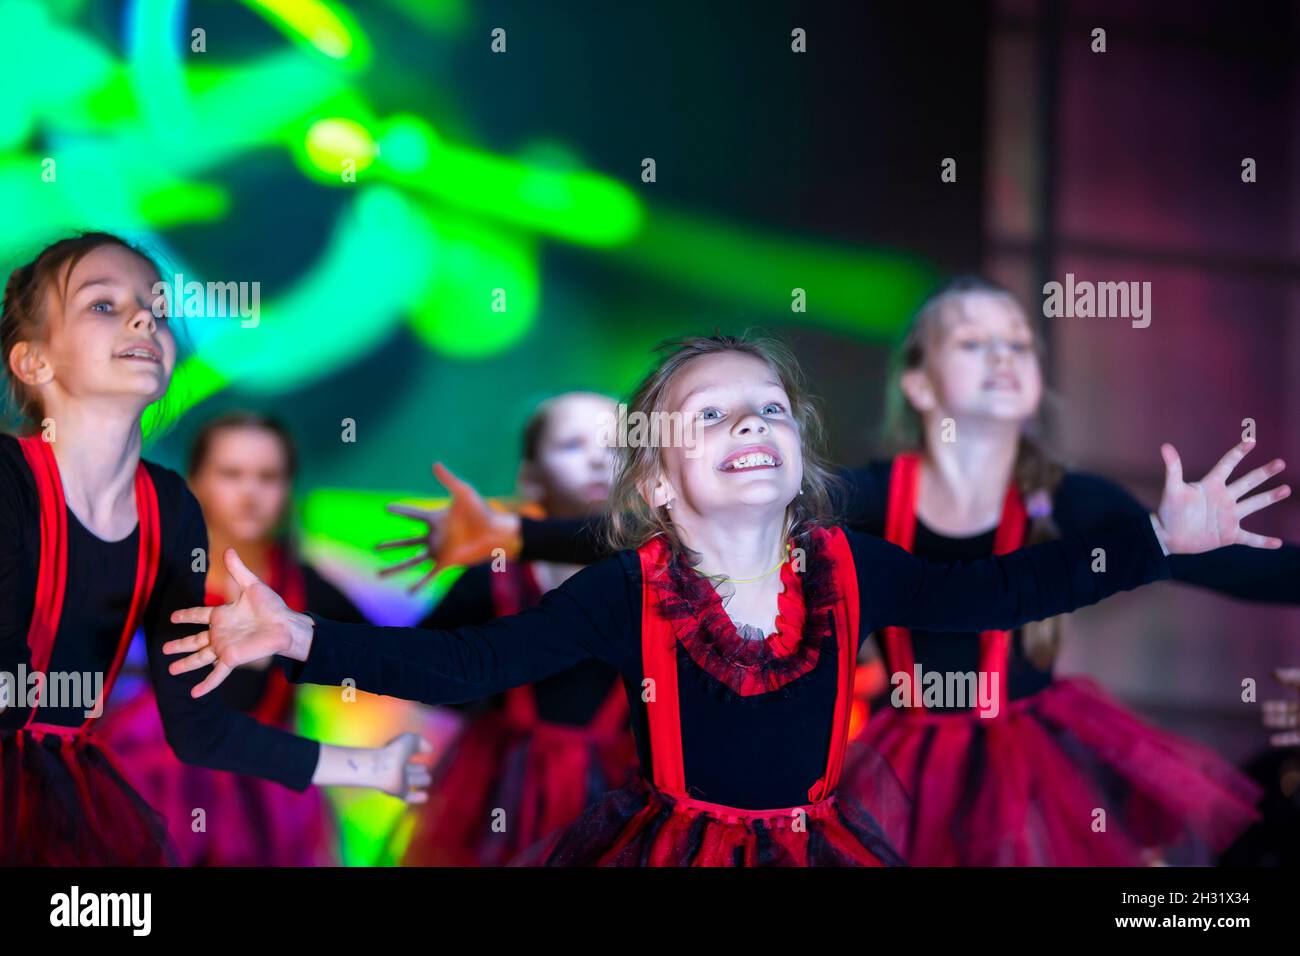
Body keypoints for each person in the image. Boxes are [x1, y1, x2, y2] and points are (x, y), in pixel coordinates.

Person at [165, 334, 1284, 866]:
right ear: (655, 480)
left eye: (769, 412)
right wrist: (296, 633)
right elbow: (468, 665)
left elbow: (1002, 587)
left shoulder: (850, 566)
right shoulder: (630, 587)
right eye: (711, 418)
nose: (750, 427)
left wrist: (1152, 538)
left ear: (800, 453)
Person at [0, 232, 429, 865]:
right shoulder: (10, 478)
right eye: (102, 304)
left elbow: (197, 726)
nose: (145, 316)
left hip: (66, 795)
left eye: (156, 308)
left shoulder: (170, 507)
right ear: (34, 361)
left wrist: (369, 767)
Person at [105, 412, 369, 866]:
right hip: (163, 771)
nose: (250, 493)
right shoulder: (156, 572)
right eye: (231, 474)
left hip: (269, 779)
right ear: (195, 481)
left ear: (288, 488)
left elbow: (389, 652)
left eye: (268, 477)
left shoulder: (303, 583)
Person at [390, 392, 636, 866]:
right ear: (529, 477)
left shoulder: (662, 575)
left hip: (620, 786)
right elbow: (426, 663)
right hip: (500, 782)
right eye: (571, 445)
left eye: (615, 447)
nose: (596, 461)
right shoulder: (494, 578)